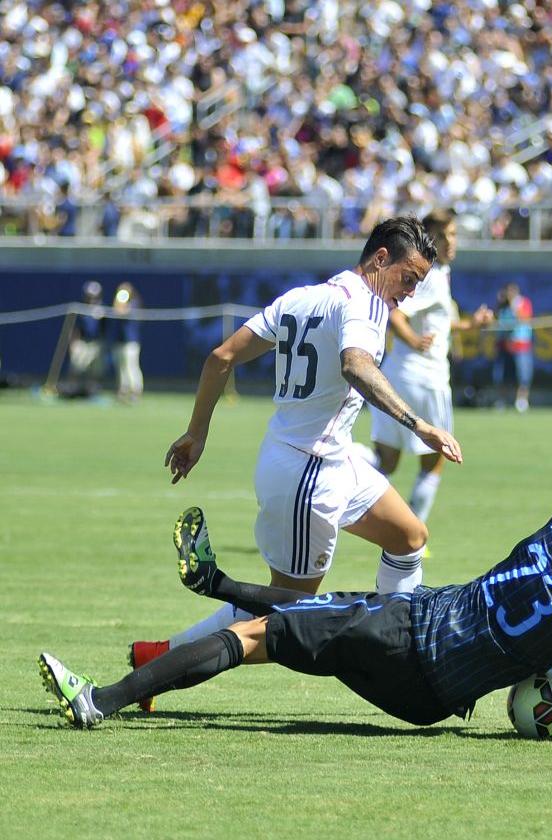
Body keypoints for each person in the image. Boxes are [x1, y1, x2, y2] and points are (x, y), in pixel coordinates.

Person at [39, 471, 552, 744]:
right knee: (294, 621)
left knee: (262, 635)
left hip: (418, 631)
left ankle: (99, 701)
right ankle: (218, 585)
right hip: (432, 688)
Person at [130, 217, 462, 709]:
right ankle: (158, 660)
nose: (410, 294)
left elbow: (220, 357)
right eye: (408, 278)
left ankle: (403, 650)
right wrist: (420, 425)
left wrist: (196, 433)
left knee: (409, 537)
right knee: (284, 617)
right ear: (381, 259)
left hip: (329, 457)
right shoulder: (367, 306)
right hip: (310, 471)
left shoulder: (302, 297)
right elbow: (356, 364)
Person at [359, 209, 492, 529]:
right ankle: (413, 535)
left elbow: (434, 321)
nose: (451, 242)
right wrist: (414, 340)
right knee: (433, 463)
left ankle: (343, 472)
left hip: (394, 375)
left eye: (454, 235)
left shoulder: (434, 275)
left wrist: (468, 324)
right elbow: (397, 315)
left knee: (386, 462)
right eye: (445, 236)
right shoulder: (429, 275)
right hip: (426, 378)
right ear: (430, 238)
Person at [492, 283, 534, 412]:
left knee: (523, 374)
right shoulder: (502, 305)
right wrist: (500, 304)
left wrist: (513, 305)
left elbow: (524, 319)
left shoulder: (523, 303)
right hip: (504, 345)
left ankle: (521, 400)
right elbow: (496, 319)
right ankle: (501, 400)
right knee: (501, 375)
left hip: (520, 345)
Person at [62, 280, 106, 399]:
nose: (92, 298)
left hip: (96, 343)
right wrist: (73, 343)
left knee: (95, 369)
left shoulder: (102, 308)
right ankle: (71, 389)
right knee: (76, 367)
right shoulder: (80, 307)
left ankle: (91, 391)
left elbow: (105, 328)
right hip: (82, 341)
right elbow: (75, 327)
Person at [108, 283, 144, 402]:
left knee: (131, 367)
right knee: (121, 368)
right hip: (119, 341)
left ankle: (136, 391)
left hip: (131, 342)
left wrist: (120, 302)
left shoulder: (134, 303)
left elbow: (122, 311)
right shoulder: (119, 301)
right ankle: (123, 390)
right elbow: (116, 310)